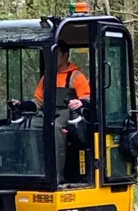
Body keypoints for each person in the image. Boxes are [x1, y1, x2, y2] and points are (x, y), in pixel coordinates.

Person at [11, 41, 90, 184]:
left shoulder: (76, 76)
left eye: (57, 54)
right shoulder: (47, 77)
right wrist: (22, 105)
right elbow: (38, 102)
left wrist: (80, 103)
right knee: (29, 126)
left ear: (65, 55)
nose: (53, 57)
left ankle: (56, 176)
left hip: (68, 113)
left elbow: (86, 98)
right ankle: (34, 171)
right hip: (48, 113)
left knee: (56, 127)